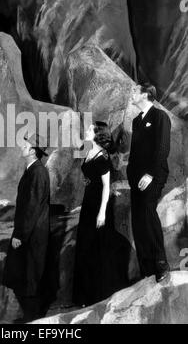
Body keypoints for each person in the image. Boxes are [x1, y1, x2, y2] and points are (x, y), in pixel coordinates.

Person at [73, 122, 130, 307]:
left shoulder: (102, 158)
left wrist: (102, 212)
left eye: (90, 129)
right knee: (85, 247)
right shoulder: (89, 152)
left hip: (99, 206)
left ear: (98, 135)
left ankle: (99, 295)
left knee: (98, 248)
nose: (87, 131)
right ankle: (85, 296)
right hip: (88, 203)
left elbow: (106, 186)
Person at [3, 134, 51, 323]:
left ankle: (34, 318)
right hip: (30, 232)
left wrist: (20, 235)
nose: (22, 147)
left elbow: (32, 207)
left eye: (26, 145)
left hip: (32, 234)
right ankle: (31, 316)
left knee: (31, 275)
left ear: (33, 151)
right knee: (26, 274)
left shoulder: (38, 172)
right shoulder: (33, 170)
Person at [127, 83, 171, 283]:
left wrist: (151, 174)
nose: (132, 94)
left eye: (135, 91)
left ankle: (160, 264)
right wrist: (131, 175)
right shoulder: (137, 121)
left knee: (147, 212)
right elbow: (135, 153)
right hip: (136, 178)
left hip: (153, 176)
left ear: (146, 94)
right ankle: (147, 268)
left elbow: (162, 148)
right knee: (137, 219)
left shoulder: (160, 116)